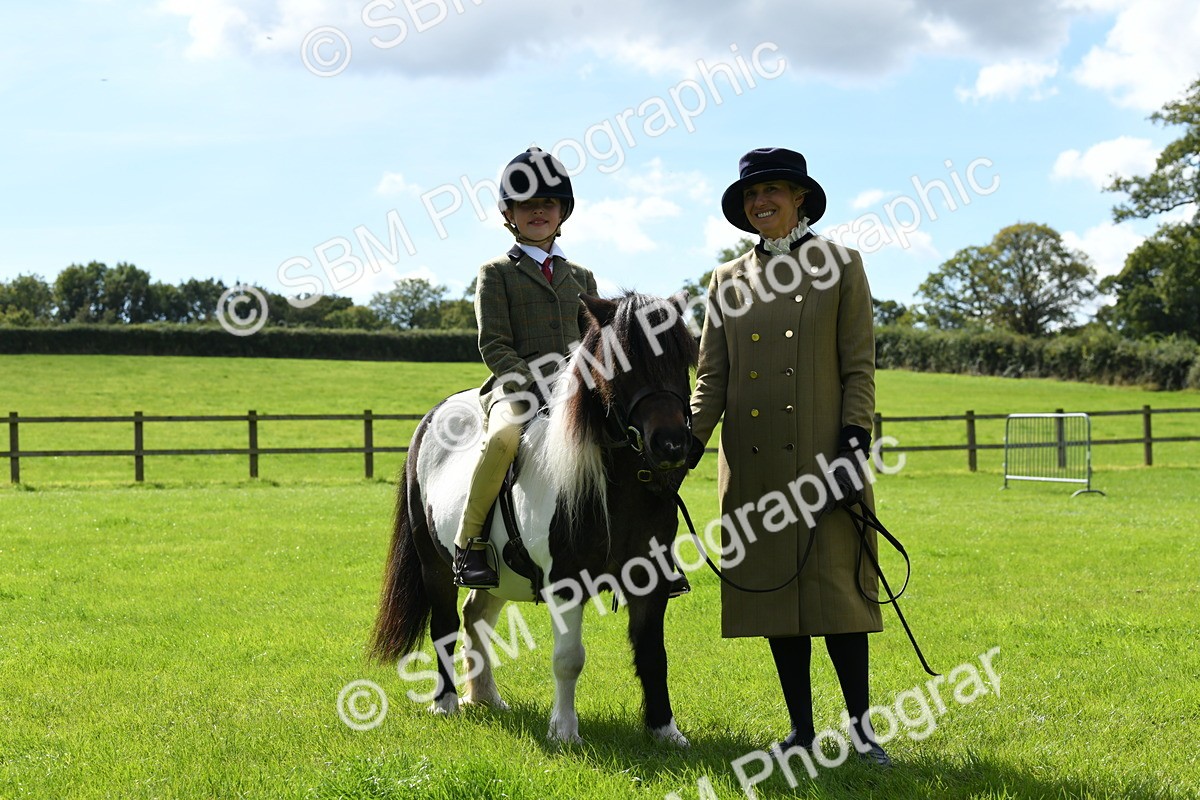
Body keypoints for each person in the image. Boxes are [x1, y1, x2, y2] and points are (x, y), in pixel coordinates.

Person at [688, 147, 890, 766]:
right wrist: (685, 444)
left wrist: (856, 441)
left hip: (825, 463)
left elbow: (859, 366)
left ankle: (862, 731)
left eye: (772, 191)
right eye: (752, 195)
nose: (760, 203)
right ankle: (801, 731)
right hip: (754, 469)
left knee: (840, 599)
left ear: (800, 197)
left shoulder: (842, 264)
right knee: (777, 601)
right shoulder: (725, 279)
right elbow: (710, 377)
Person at [453, 146, 691, 599]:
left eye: (548, 204)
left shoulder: (580, 274)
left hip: (579, 391)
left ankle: (654, 551)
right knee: (503, 438)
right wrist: (528, 383)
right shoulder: (495, 273)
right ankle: (472, 541)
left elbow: (601, 338)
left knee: (633, 440)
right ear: (510, 214)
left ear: (563, 212)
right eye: (527, 205)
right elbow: (494, 343)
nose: (538, 212)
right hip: (518, 389)